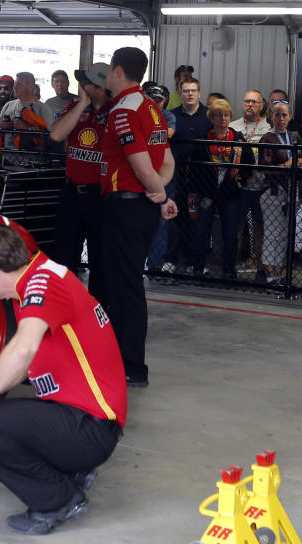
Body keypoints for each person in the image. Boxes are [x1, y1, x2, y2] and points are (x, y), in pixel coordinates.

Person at [0, 223, 126, 535]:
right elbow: (24, 359)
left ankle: (58, 500)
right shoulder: (35, 277)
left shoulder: (42, 283)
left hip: (91, 427)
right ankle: (65, 475)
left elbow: (23, 349)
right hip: (77, 420)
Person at [100, 46, 177, 387]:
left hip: (126, 206)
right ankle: (123, 359)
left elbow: (140, 161)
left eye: (108, 71)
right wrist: (159, 192)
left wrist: (155, 189)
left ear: (117, 71)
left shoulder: (124, 109)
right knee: (125, 284)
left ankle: (130, 363)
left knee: (124, 287)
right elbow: (168, 160)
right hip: (141, 204)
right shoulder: (152, 107)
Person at [49, 63, 111, 300]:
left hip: (102, 197)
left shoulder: (115, 110)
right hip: (72, 193)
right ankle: (65, 307)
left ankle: (97, 314)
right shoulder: (75, 107)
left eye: (86, 82)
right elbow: (56, 134)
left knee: (101, 261)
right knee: (65, 257)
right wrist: (83, 104)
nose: (81, 86)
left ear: (100, 86)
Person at [191, 98, 254, 278]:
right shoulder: (203, 139)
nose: (223, 119)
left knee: (230, 233)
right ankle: (197, 268)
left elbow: (249, 160)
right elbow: (193, 167)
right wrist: (193, 191)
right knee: (202, 231)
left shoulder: (238, 138)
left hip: (230, 194)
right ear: (212, 118)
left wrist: (244, 177)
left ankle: (228, 270)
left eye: (226, 115)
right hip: (207, 193)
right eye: (218, 115)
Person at [257, 99, 302, 284]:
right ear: (271, 117)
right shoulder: (267, 139)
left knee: (285, 234)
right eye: (277, 115)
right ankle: (269, 273)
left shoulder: (294, 137)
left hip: (292, 191)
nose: (281, 118)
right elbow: (264, 167)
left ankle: (278, 272)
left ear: (290, 117)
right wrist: (287, 165)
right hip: (273, 192)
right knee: (272, 233)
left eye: (284, 114)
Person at [165, 76, 210, 269]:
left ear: (199, 93)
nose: (189, 94)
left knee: (199, 224)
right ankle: (170, 260)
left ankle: (196, 264)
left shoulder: (209, 116)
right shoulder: (171, 116)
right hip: (176, 175)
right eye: (186, 91)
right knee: (174, 219)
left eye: (193, 90)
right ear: (180, 94)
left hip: (202, 179)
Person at [231, 90, 272, 281]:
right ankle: (230, 267)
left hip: (262, 187)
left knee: (260, 228)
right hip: (238, 187)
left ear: (261, 105)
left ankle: (261, 268)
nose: (250, 105)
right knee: (235, 227)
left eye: (254, 102)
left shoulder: (269, 129)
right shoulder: (233, 126)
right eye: (247, 101)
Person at [143, 83, 178, 273]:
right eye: (152, 100)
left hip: (163, 173)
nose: (155, 104)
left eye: (159, 101)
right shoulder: (139, 113)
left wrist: (148, 132)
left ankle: (154, 264)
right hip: (141, 171)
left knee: (162, 220)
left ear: (164, 102)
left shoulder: (168, 116)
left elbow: (168, 134)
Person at [0, 72, 55, 166]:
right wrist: (1, 126)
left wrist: (28, 128)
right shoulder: (8, 105)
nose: (15, 87)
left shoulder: (44, 109)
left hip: (34, 164)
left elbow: (51, 138)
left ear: (30, 87)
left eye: (19, 85)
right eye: (15, 85)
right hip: (8, 161)